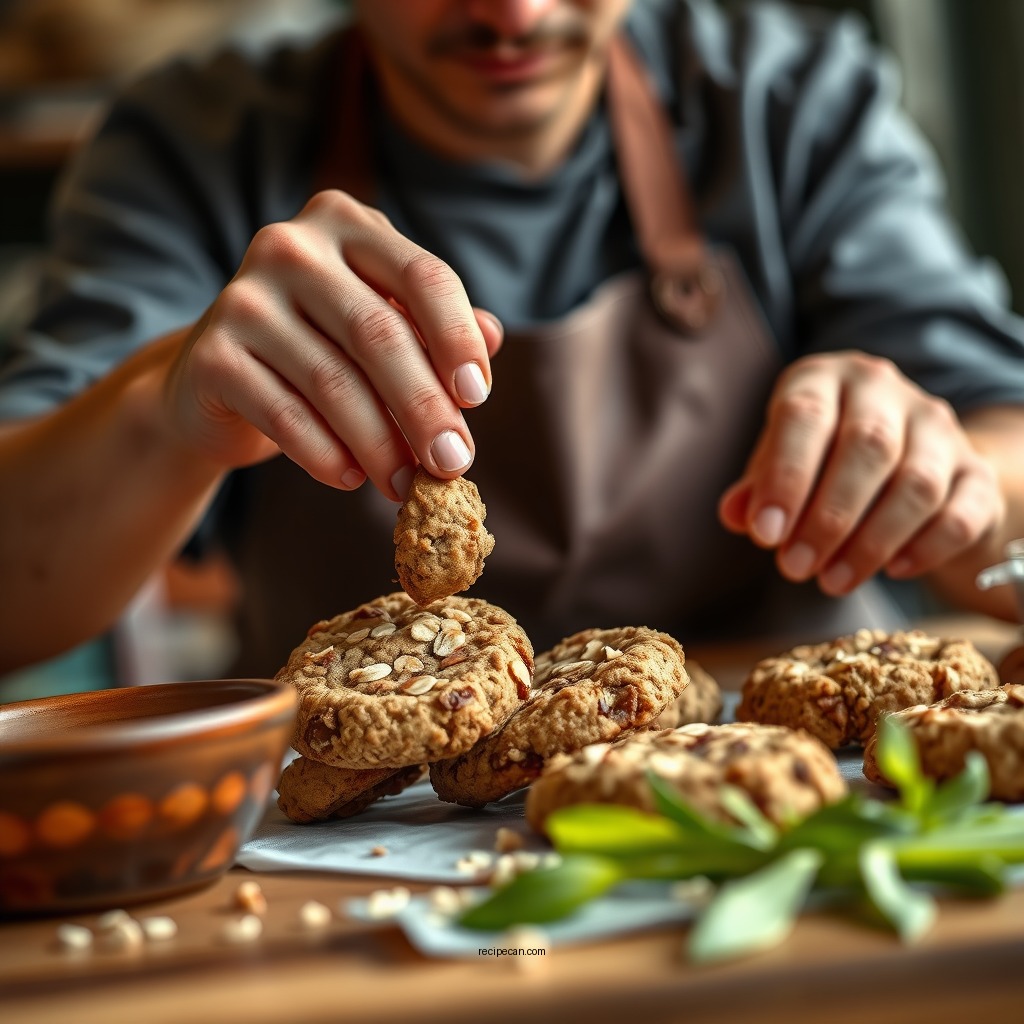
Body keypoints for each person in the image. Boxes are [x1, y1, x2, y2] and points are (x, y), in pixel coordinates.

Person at [2, 0, 1023, 680]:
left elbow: (1005, 466)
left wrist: (948, 480)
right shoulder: (196, 140)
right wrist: (165, 413)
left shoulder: (790, 101)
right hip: (369, 846)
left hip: (777, 803)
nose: (511, 14)